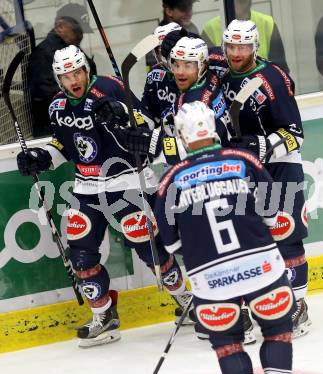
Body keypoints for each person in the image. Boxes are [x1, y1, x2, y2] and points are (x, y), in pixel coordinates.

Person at [17, 45, 193, 348]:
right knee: (81, 254)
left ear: (87, 69)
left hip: (127, 181)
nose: (74, 80)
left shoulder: (111, 86)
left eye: (77, 72)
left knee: (148, 247)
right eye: (66, 76)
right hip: (87, 187)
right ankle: (104, 316)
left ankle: (185, 300)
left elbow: (147, 124)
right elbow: (64, 146)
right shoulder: (57, 107)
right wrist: (40, 158)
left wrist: (121, 112)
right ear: (59, 79)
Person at [155, 101, 296, 374]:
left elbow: (171, 244)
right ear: (214, 128)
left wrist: (201, 244)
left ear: (182, 136)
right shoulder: (243, 160)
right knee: (277, 329)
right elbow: (272, 215)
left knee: (226, 342)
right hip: (262, 267)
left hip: (210, 278)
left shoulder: (169, 180)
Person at [221, 19, 311, 338]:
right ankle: (259, 302)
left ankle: (298, 303)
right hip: (245, 170)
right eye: (231, 46)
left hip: (281, 166)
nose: (235, 52)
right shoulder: (220, 75)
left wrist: (262, 145)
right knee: (250, 240)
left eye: (242, 46)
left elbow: (296, 134)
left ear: (254, 47)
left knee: (286, 233)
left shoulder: (272, 78)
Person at [27, 4, 95, 138]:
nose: (81, 35)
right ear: (60, 27)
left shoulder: (70, 48)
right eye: (77, 30)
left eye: (82, 30)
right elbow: (42, 94)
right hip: (55, 131)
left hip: (73, 124)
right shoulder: (45, 54)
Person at [201, 0, 288, 72]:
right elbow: (205, 73)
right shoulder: (210, 28)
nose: (242, 5)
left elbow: (281, 69)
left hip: (262, 86)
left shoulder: (267, 23)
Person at [142, 22, 182, 127]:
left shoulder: (195, 71)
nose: (164, 55)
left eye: (169, 48)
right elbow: (146, 109)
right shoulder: (154, 74)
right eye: (160, 50)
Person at [145, 0, 199, 70]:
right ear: (169, 11)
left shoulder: (192, 28)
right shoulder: (156, 40)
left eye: (190, 7)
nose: (189, 13)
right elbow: (153, 75)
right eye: (184, 8)